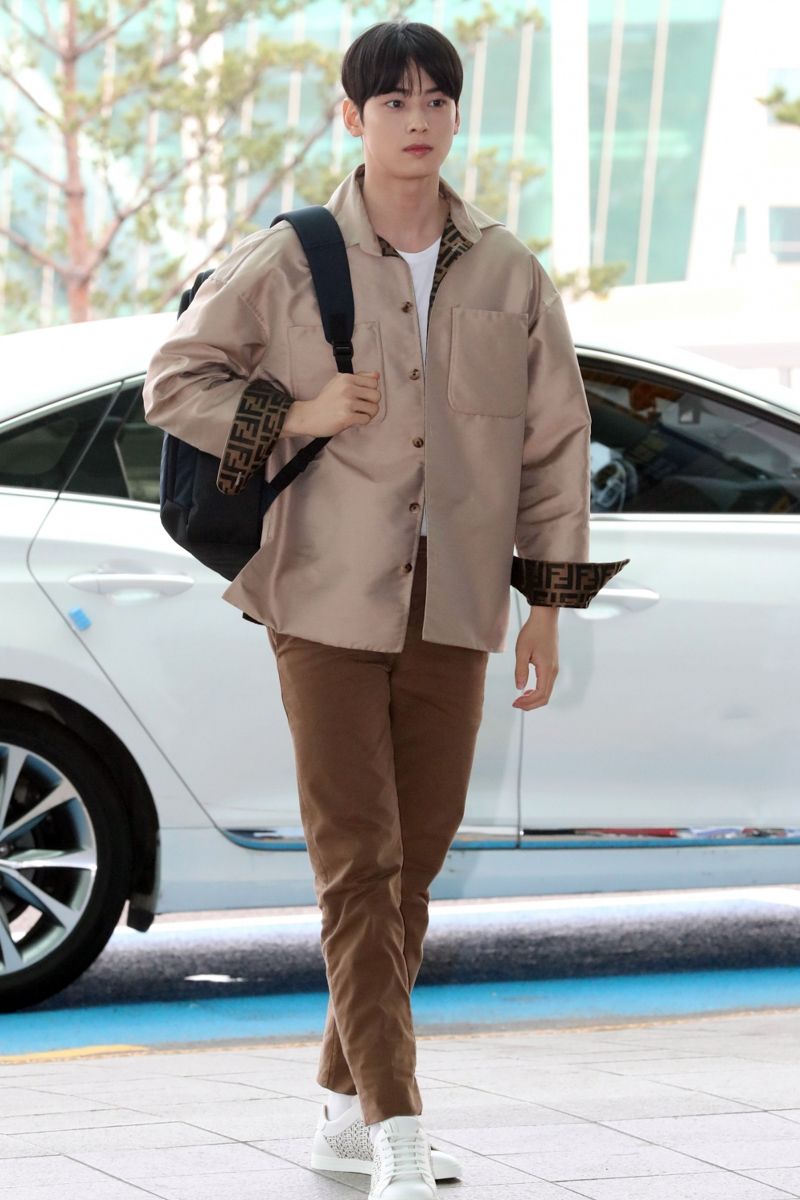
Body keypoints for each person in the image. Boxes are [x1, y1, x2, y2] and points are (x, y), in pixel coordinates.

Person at [142, 18, 630, 1199]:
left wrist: (546, 606)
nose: (417, 121)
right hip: (320, 594)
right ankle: (399, 1124)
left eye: (435, 101)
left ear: (455, 115)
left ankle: (338, 1114)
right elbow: (173, 380)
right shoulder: (291, 256)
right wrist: (296, 413)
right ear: (350, 117)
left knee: (413, 864)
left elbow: (554, 446)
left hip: (453, 601)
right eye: (393, 102)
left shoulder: (508, 271)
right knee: (357, 860)